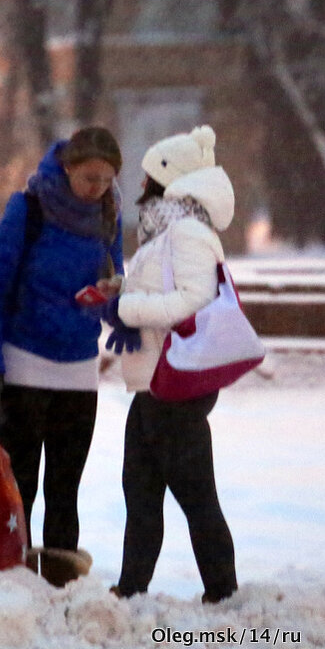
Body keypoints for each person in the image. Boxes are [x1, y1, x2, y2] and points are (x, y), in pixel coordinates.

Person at [0, 126, 124, 587]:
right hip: (23, 366)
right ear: (68, 168)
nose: (98, 189)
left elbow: (114, 289)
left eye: (107, 180)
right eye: (90, 178)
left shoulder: (108, 216)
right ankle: (10, 578)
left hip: (79, 372)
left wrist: (111, 297)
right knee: (20, 485)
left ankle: (59, 581)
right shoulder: (29, 209)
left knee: (64, 489)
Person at [103, 124, 238, 603]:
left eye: (148, 176)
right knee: (140, 492)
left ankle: (222, 592)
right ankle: (131, 589)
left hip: (176, 386)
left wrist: (128, 308)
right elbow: (164, 290)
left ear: (169, 178)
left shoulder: (187, 233)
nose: (140, 184)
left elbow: (194, 302)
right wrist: (120, 291)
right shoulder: (167, 231)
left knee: (195, 495)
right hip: (155, 383)